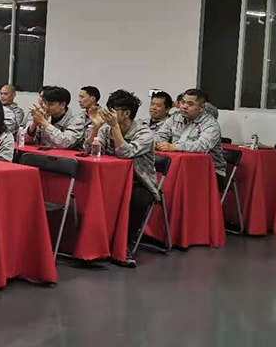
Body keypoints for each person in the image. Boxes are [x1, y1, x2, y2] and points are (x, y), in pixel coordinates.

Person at [82, 89, 158, 268]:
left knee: (139, 199)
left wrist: (115, 127)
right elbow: (88, 149)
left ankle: (125, 245)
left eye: (112, 111)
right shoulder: (105, 128)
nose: (107, 114)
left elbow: (126, 153)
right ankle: (95, 243)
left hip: (139, 181)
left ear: (126, 113)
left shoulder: (144, 133)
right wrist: (95, 127)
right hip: (111, 180)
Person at [155, 88, 226, 188]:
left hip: (210, 171)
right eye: (183, 102)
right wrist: (154, 142)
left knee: (173, 182)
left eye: (190, 104)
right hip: (179, 166)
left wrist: (175, 147)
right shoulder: (175, 118)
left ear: (201, 107)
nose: (184, 106)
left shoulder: (211, 124)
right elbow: (161, 135)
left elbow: (202, 146)